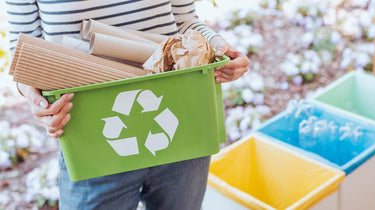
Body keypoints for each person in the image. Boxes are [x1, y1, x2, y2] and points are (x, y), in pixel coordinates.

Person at [7, 0, 249, 209]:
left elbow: (184, 20)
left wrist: (220, 48)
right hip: (90, 139)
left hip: (181, 124)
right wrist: (34, 98)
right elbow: (23, 49)